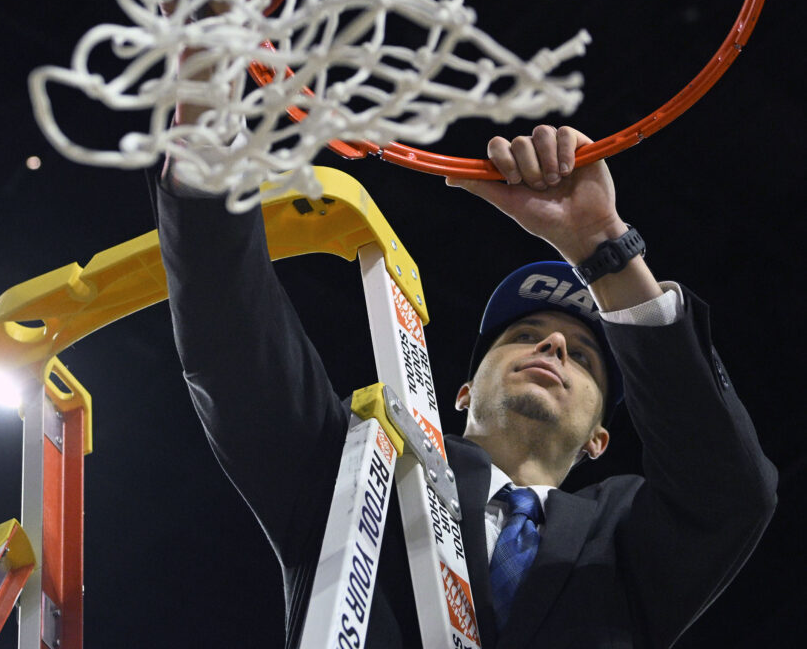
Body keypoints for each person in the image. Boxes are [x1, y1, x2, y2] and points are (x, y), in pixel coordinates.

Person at [155, 115, 777, 649]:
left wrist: (599, 242)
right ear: (462, 393)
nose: (555, 344)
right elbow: (233, 337)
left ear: (598, 440)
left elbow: (730, 488)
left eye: (586, 358)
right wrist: (208, 112)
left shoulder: (623, 540)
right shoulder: (359, 465)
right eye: (523, 334)